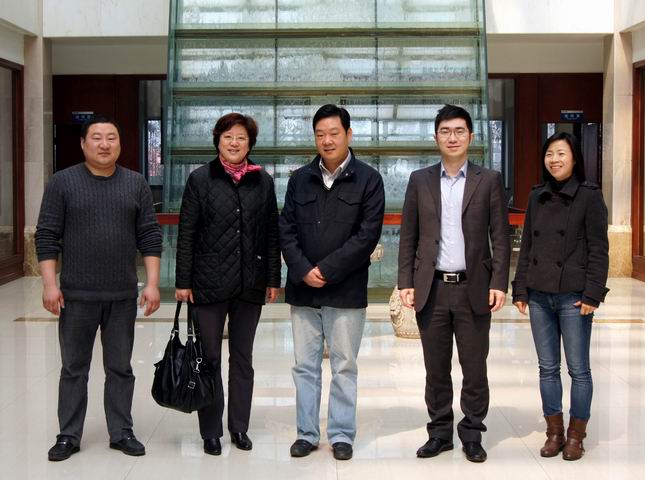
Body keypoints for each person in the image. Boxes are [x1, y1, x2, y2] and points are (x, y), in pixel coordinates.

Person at [36, 115, 162, 461]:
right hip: (76, 296)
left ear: (120, 144)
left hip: (122, 296)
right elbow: (47, 236)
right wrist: (49, 284)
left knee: (120, 368)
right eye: (96, 137)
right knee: (73, 369)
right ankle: (68, 436)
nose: (104, 144)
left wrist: (152, 284)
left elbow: (149, 236)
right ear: (83, 143)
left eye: (111, 138)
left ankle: (121, 432)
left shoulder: (135, 183)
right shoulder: (62, 183)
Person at [398, 104, 510, 463]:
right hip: (431, 288)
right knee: (436, 368)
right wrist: (405, 281)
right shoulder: (420, 180)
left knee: (475, 368)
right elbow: (409, 235)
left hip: (473, 287)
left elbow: (500, 236)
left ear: (471, 137)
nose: (452, 137)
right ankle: (440, 432)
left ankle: (472, 433)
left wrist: (499, 282)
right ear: (436, 137)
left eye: (459, 131)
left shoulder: (488, 180)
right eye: (445, 131)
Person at [279, 104, 385, 461]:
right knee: (304, 366)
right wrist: (303, 269)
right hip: (303, 290)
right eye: (320, 134)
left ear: (348, 134)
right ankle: (306, 434)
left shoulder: (369, 179)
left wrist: (325, 270)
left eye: (334, 133)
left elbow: (367, 235)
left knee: (344, 366)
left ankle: (341, 434)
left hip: (346, 291)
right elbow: (286, 228)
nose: (327, 140)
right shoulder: (299, 179)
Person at [175, 112, 281, 456]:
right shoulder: (200, 179)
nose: (234, 143)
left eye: (241, 138)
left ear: (250, 144)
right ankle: (210, 431)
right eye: (228, 137)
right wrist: (183, 281)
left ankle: (239, 427)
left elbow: (272, 233)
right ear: (217, 141)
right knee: (209, 358)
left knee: (243, 359)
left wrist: (273, 279)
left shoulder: (262, 182)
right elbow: (187, 233)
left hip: (250, 284)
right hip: (207, 284)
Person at [512, 132, 609, 461]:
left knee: (579, 370)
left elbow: (599, 249)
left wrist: (593, 293)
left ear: (574, 158)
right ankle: (554, 432)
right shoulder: (536, 195)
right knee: (547, 368)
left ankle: (576, 436)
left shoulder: (589, 196)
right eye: (549, 153)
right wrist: (520, 288)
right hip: (539, 295)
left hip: (574, 296)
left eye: (561, 153)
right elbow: (527, 245)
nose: (554, 159)